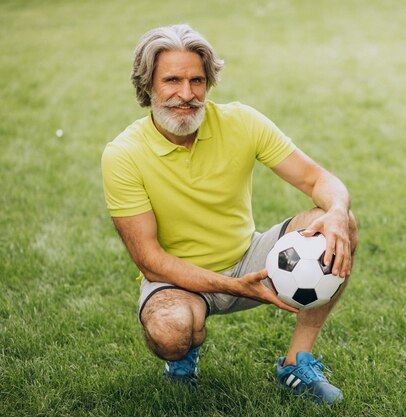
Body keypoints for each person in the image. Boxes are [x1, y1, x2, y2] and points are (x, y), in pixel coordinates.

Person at [101, 24, 358, 405]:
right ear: (148, 85)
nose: (186, 94)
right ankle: (183, 355)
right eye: (171, 80)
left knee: (344, 227)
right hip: (178, 279)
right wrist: (234, 288)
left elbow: (316, 178)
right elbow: (150, 261)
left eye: (197, 80)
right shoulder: (123, 155)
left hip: (250, 259)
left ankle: (295, 363)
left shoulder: (242, 122)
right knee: (170, 333)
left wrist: (337, 210)